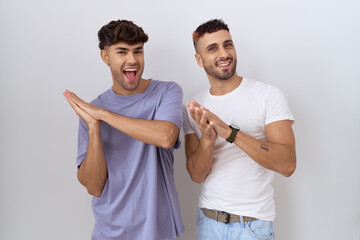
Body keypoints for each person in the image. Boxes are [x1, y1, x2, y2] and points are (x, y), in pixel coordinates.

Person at [63, 19, 184, 240]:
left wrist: (106, 115)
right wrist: (94, 128)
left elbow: (166, 137)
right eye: (122, 52)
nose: (132, 60)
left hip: (158, 232)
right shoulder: (91, 114)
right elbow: (94, 187)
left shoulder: (166, 92)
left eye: (138, 51)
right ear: (105, 57)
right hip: (109, 233)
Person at [183, 19, 296, 239]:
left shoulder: (268, 96)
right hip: (208, 223)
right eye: (212, 49)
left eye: (228, 44)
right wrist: (207, 139)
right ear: (199, 59)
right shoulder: (194, 107)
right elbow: (197, 175)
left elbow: (287, 164)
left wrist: (230, 133)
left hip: (252, 226)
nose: (224, 54)